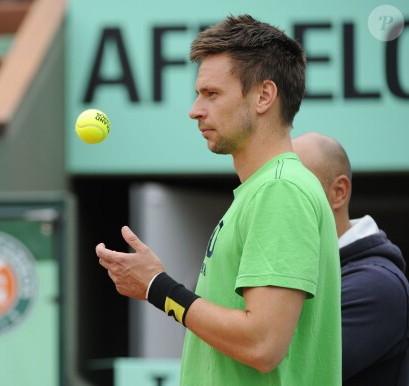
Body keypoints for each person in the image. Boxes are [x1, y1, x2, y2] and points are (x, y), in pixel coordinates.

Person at [96, 14, 342, 385]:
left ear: (264, 96)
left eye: (211, 94)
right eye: (199, 94)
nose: (195, 110)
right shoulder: (264, 190)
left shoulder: (280, 190)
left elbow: (262, 344)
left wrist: (156, 287)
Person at [292, 132, 409, 386]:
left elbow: (289, 374)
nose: (280, 198)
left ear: (338, 192)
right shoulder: (301, 270)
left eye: (295, 186)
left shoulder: (377, 286)